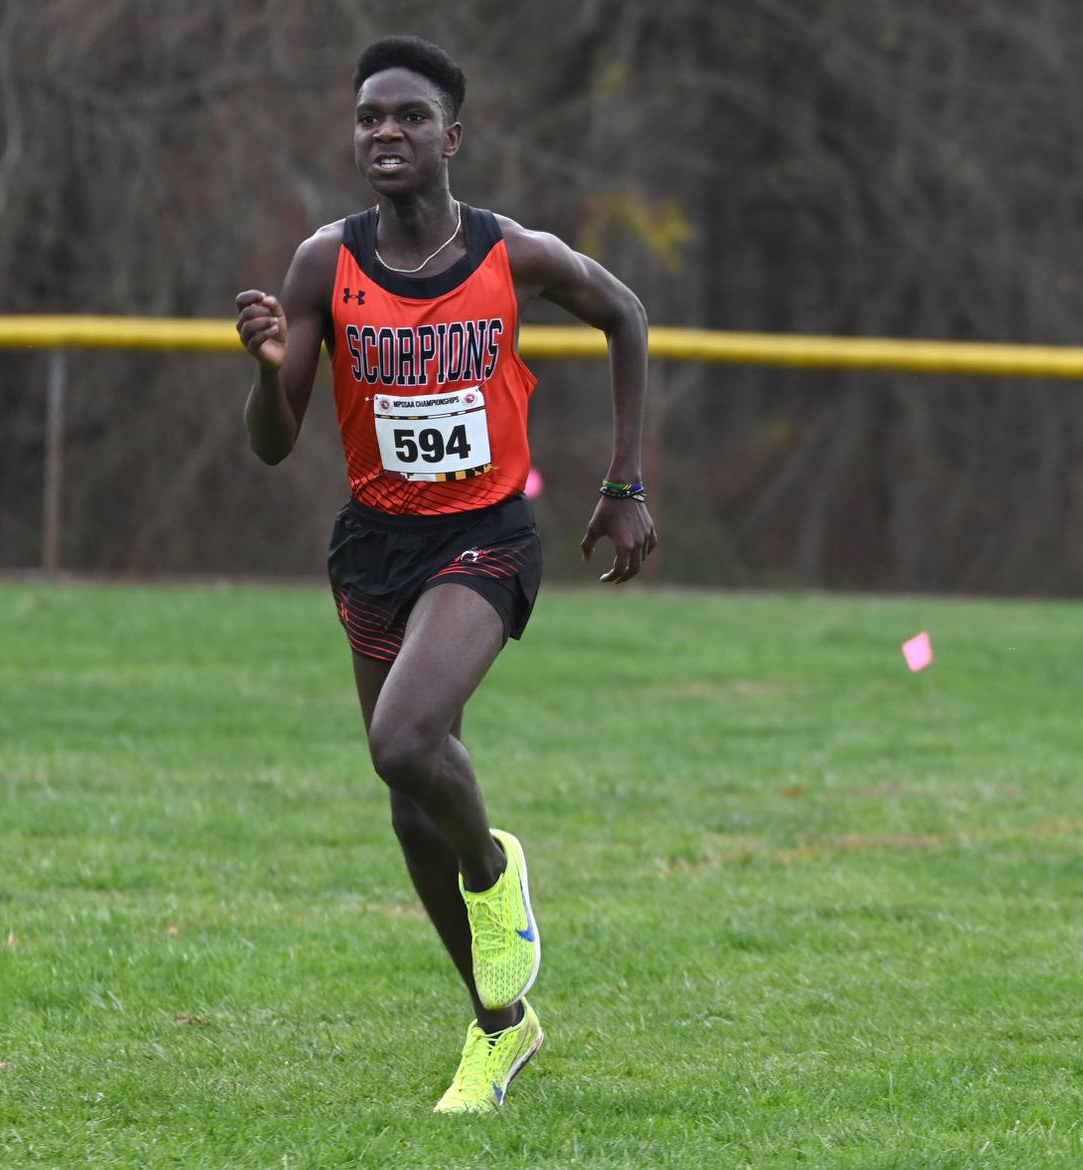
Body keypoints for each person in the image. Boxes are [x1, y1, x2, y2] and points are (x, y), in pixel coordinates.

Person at [235, 35, 657, 1114]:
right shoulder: (323, 265)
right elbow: (274, 443)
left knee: (407, 739)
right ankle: (499, 1029)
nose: (386, 132)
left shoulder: (513, 256)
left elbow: (626, 315)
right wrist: (265, 366)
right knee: (405, 801)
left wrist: (627, 485)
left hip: (489, 536)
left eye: (410, 116)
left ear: (451, 136)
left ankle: (495, 871)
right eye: (371, 116)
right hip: (375, 541)